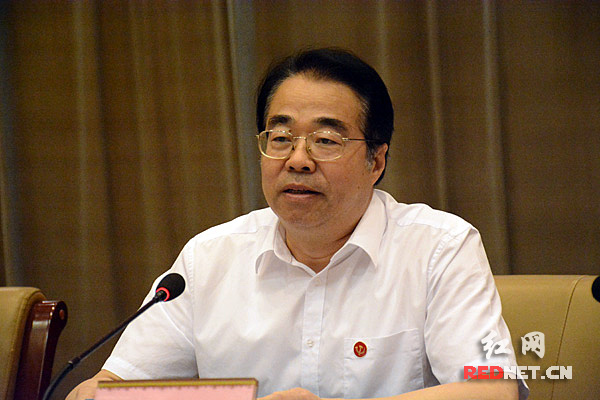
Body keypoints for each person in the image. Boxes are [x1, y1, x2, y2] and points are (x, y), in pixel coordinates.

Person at [67, 48, 527, 400]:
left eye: (326, 140)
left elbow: (492, 387)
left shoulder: (441, 248)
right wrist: (96, 392)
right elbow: (117, 385)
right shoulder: (208, 259)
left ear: (376, 161)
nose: (298, 160)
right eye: (281, 137)